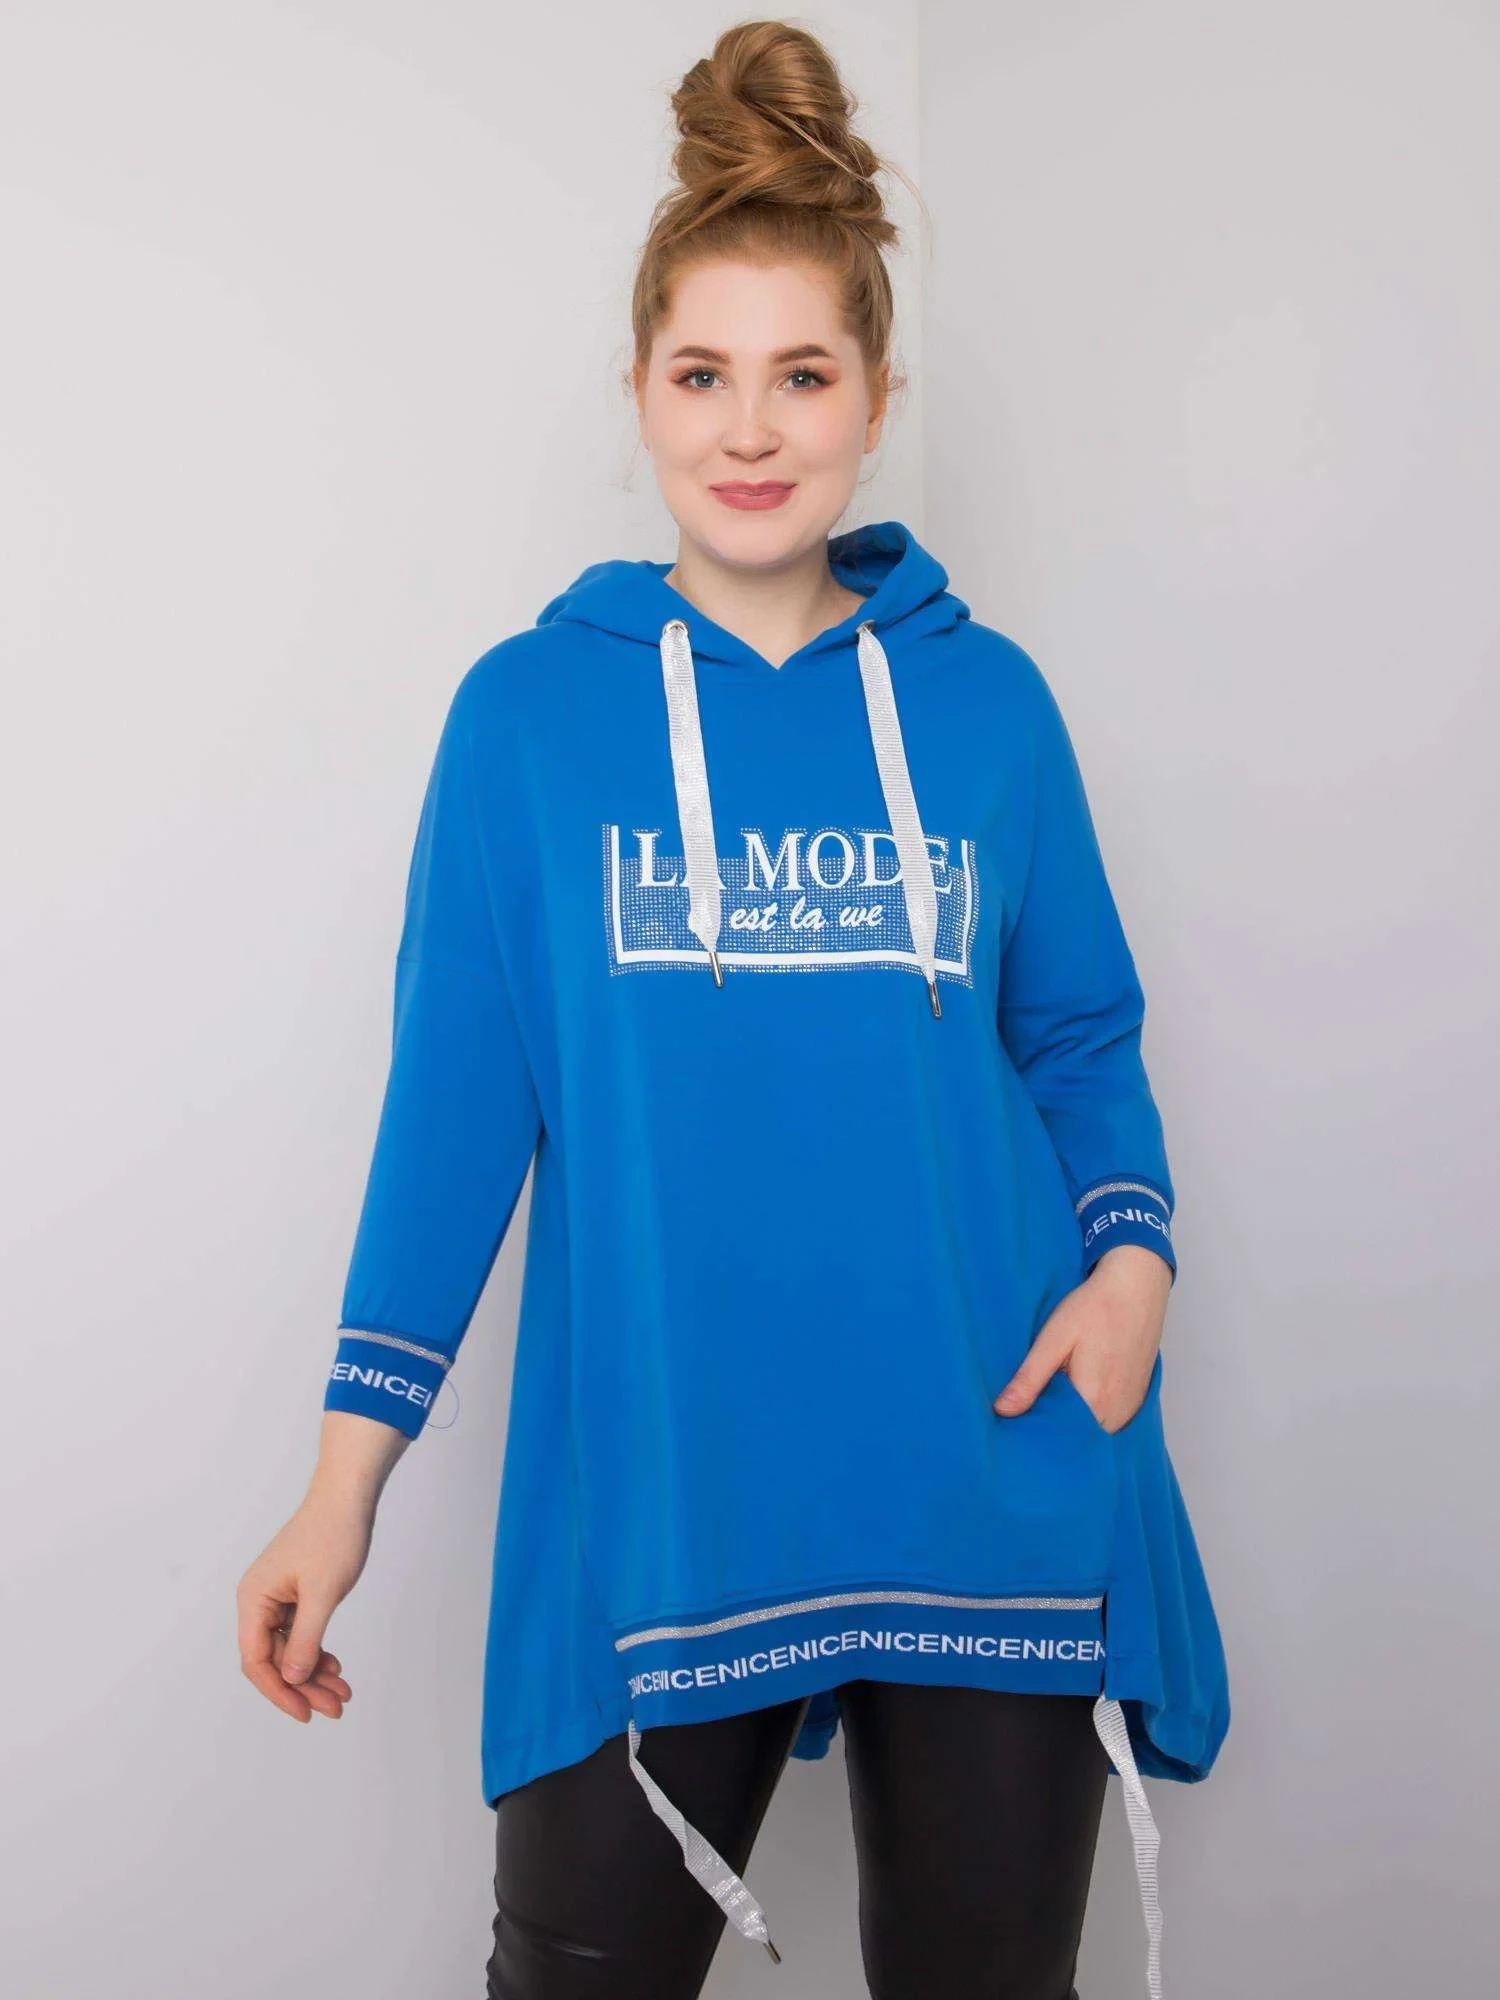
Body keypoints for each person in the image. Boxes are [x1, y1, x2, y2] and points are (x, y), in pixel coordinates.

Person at [237, 19, 1229, 1999]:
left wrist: (1132, 1267)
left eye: (803, 374)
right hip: (665, 1481)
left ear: (876, 397)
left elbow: (1078, 1036)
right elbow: (454, 1116)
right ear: (639, 393)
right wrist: (343, 1486)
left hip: (989, 1455)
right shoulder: (530, 722)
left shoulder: (987, 706)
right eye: (703, 374)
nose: (751, 429)